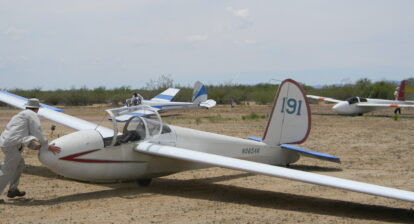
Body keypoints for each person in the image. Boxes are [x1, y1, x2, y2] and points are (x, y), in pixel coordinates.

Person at [0, 98, 61, 203]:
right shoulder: (32, 115)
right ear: (37, 108)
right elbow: (37, 132)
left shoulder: (21, 115)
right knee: (7, 170)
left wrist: (34, 146)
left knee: (20, 165)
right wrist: (47, 145)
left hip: (7, 143)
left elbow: (22, 134)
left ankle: (13, 190)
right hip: (12, 145)